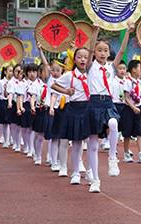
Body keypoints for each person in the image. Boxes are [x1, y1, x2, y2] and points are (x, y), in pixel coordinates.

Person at [84, 22, 133, 192]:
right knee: (93, 144)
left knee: (113, 124)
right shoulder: (90, 67)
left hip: (108, 103)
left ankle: (113, 157)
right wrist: (95, 32)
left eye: (105, 50)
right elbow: (89, 51)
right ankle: (95, 180)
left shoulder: (111, 68)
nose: (102, 53)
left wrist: (128, 32)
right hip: (93, 103)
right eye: (99, 50)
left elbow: (121, 51)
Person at [52, 47, 91, 187]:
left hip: (88, 108)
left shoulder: (92, 74)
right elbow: (54, 85)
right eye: (79, 57)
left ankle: (90, 170)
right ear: (74, 59)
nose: (82, 59)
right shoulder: (69, 75)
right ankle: (73, 171)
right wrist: (66, 91)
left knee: (90, 142)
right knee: (75, 142)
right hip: (73, 108)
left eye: (85, 57)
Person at [122, 59, 141, 163]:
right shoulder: (127, 81)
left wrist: (138, 107)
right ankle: (126, 153)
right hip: (129, 109)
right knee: (127, 132)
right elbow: (126, 97)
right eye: (139, 67)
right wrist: (133, 108)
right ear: (134, 70)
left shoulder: (139, 82)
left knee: (139, 132)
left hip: (138, 109)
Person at [0, 65, 13, 148]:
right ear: (5, 72)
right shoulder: (1, 82)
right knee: (4, 123)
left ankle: (11, 138)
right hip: (3, 102)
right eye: (10, 71)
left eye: (12, 71)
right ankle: (5, 139)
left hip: (11, 102)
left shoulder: (14, 82)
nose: (11, 73)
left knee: (11, 123)